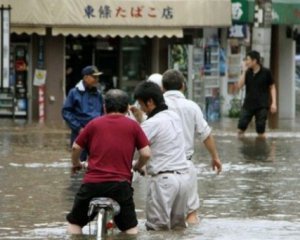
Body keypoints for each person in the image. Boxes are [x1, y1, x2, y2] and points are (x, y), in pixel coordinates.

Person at [66, 89, 151, 235]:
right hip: (120, 186)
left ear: (104, 107)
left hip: (92, 186)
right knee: (131, 229)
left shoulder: (93, 124)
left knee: (75, 223)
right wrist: (138, 166)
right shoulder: (133, 126)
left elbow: (75, 148)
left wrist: (76, 164)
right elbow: (146, 153)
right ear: (126, 109)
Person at [162, 69, 222, 224]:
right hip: (185, 166)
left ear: (163, 87)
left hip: (161, 168)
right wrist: (215, 157)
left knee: (161, 219)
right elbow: (205, 134)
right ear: (183, 85)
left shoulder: (157, 106)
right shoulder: (192, 106)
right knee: (192, 215)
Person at [133, 81, 190, 230]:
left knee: (156, 230)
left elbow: (137, 149)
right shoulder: (174, 116)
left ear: (150, 102)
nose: (141, 108)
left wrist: (138, 165)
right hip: (183, 179)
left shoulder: (150, 124)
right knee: (178, 229)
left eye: (141, 104)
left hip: (163, 181)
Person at [62, 65, 104, 161]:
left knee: (97, 161)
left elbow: (102, 112)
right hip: (79, 132)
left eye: (98, 77)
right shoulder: (74, 93)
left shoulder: (99, 94)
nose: (97, 79)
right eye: (94, 77)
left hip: (96, 133)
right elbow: (66, 112)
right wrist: (78, 128)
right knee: (79, 162)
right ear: (86, 77)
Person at [235, 50, 277, 138]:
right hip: (248, 104)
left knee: (260, 130)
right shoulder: (247, 72)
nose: (246, 62)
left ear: (254, 61)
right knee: (240, 128)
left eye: (248, 60)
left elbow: (272, 87)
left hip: (262, 105)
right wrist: (244, 71)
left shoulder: (266, 72)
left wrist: (274, 103)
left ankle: (262, 149)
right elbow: (239, 85)